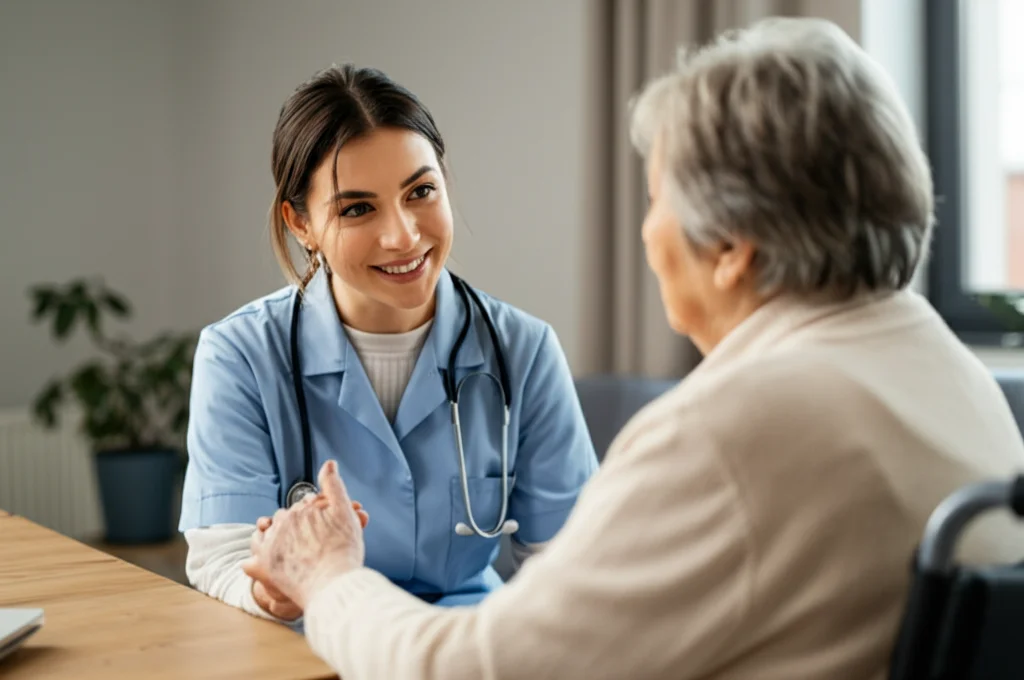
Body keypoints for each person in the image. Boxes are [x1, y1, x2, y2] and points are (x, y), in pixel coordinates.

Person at [243, 17, 1024, 679]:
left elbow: (477, 671)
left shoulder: (732, 433)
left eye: (656, 200)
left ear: (731, 249)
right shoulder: (952, 374)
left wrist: (330, 577)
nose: (648, 233)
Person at [177, 64, 599, 623]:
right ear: (299, 224)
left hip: (463, 644)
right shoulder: (240, 356)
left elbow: (571, 563)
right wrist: (269, 592)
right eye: (357, 208)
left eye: (420, 191)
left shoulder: (523, 350)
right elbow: (225, 559)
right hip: (313, 641)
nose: (402, 235)